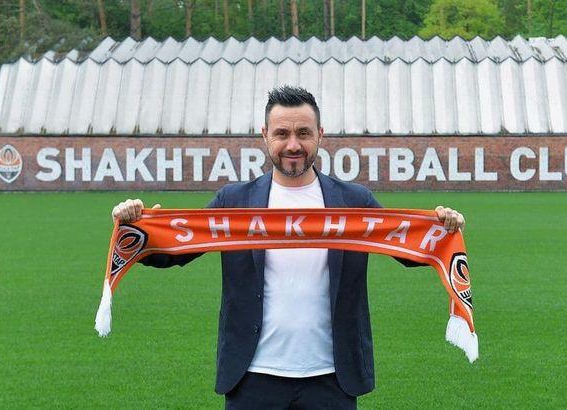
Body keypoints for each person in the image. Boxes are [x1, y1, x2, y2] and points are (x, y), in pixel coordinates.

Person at [112, 86, 465, 409]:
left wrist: (442, 227)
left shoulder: (354, 201)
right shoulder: (234, 201)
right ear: (264, 135)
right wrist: (137, 227)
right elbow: (174, 253)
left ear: (320, 135)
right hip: (252, 376)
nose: (293, 145)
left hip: (333, 378)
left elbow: (408, 249)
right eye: (282, 133)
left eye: (303, 133)